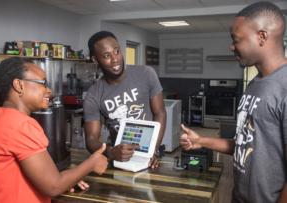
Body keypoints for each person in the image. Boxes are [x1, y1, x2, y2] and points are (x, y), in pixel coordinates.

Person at [180, 1, 287, 202]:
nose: (231, 47)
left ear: (262, 36)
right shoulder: (256, 84)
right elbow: (246, 145)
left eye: (236, 40)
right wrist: (201, 141)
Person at [0, 57, 108, 203]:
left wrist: (69, 178)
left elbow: (38, 176)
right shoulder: (22, 125)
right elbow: (53, 186)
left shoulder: (0, 117)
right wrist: (92, 164)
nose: (48, 90)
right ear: (19, 85)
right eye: (43, 83)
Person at [83, 31, 166, 168]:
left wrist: (152, 151)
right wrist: (111, 152)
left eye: (116, 51)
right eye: (106, 56)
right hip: (120, 158)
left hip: (151, 156)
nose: (115, 59)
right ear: (95, 59)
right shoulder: (93, 95)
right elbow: (91, 140)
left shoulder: (146, 74)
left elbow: (160, 113)